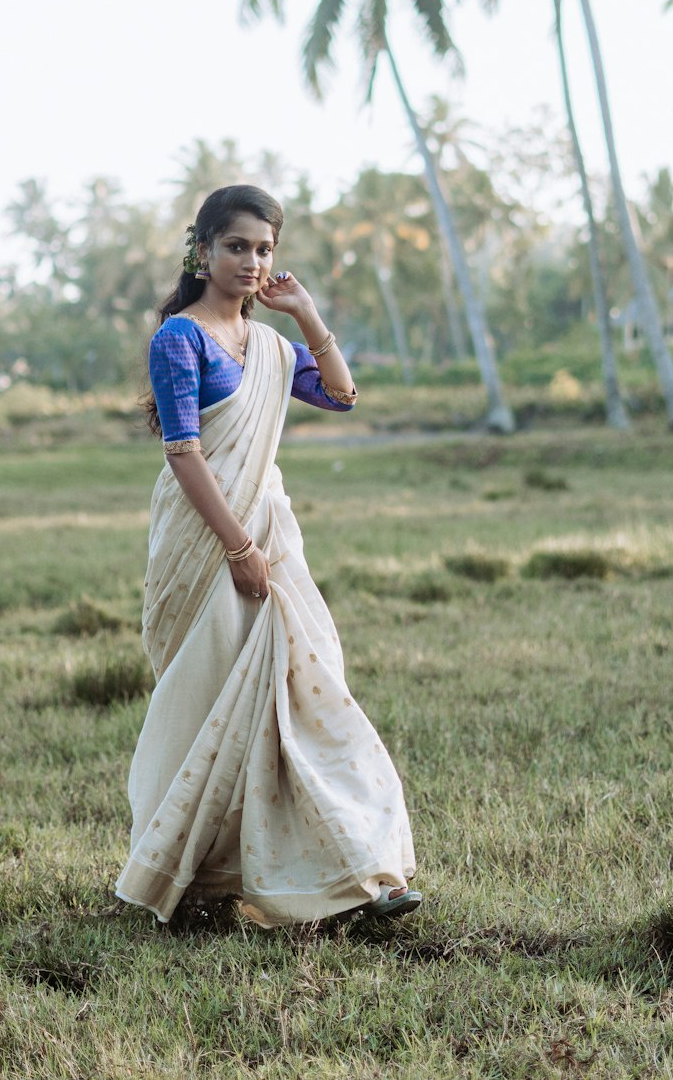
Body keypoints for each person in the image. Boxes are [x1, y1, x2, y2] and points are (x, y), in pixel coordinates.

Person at [115, 184, 420, 928]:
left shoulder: (273, 348)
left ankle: (351, 877)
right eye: (237, 246)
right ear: (203, 250)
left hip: (269, 537)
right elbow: (185, 452)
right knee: (209, 709)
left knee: (307, 697)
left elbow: (343, 396)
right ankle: (199, 884)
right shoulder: (179, 340)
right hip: (207, 540)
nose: (252, 261)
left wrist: (307, 314)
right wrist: (237, 547)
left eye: (264, 249)